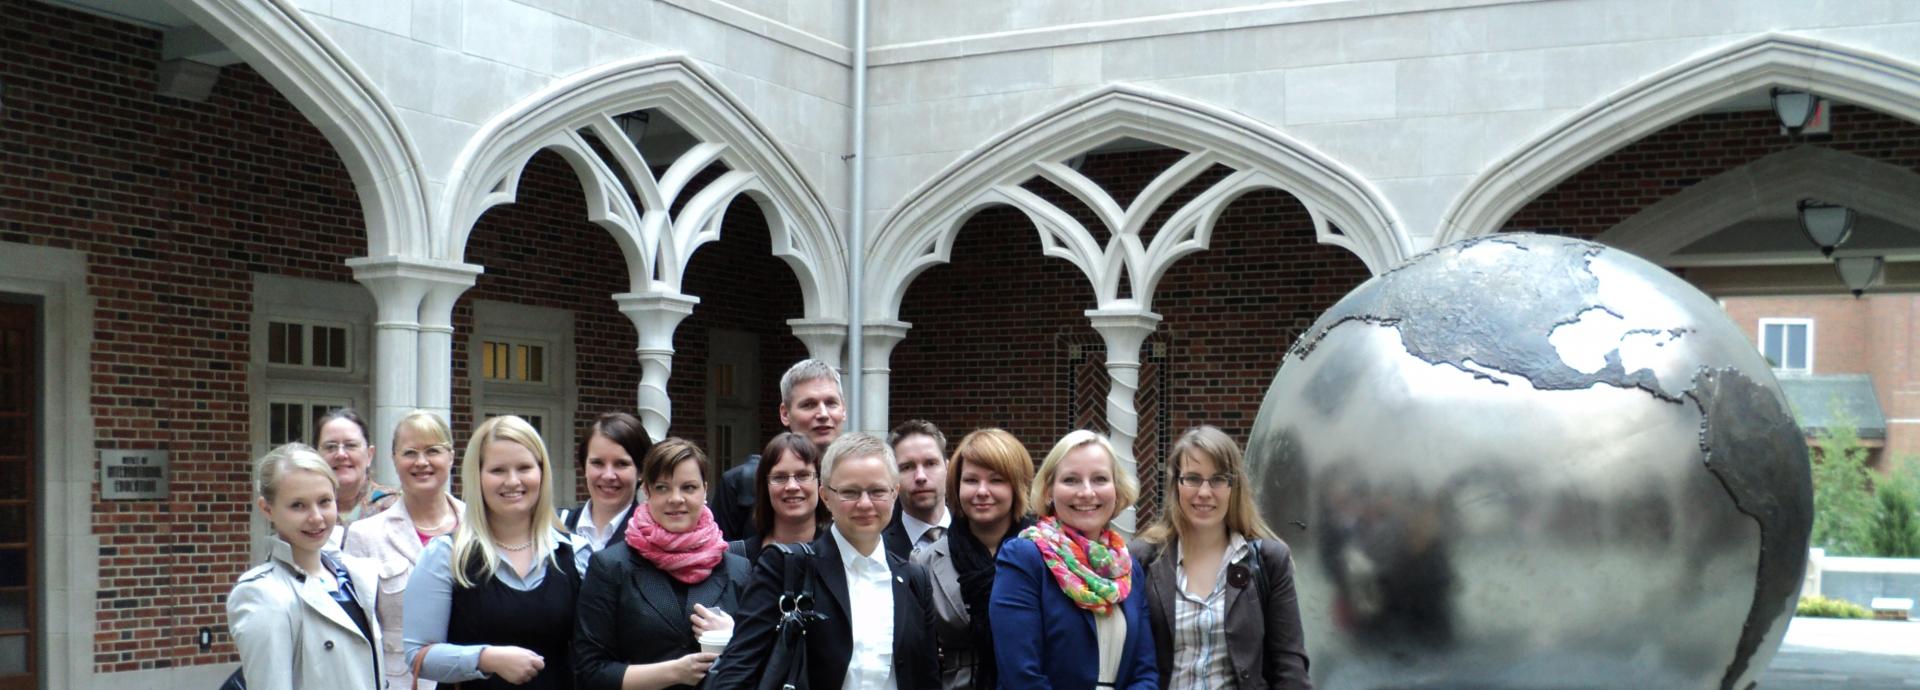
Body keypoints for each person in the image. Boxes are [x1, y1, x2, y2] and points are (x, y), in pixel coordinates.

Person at [707, 433, 941, 690]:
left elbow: (927, 679)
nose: (864, 504)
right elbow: (736, 672)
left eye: (877, 491)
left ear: (895, 493)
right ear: (826, 496)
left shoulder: (914, 580)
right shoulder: (786, 568)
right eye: (850, 492)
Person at [404, 415, 591, 690]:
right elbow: (418, 655)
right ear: (477, 476)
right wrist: (486, 658)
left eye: (524, 468)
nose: (512, 481)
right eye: (498, 470)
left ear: (541, 472)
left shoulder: (576, 555)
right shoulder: (446, 555)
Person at [1138, 426, 1311, 690]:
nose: (1204, 492)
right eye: (1193, 478)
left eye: (1218, 479)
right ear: (1176, 485)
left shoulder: (1269, 561)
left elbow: (1289, 667)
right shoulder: (1143, 559)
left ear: (1234, 487)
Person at [573, 438, 748, 690]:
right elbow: (590, 671)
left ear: (705, 490)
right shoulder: (610, 566)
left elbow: (760, 662)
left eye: (688, 487)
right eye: (663, 487)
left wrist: (736, 636)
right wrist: (674, 673)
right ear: (647, 492)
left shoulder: (738, 569)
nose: (676, 498)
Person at [991, 430, 1157, 690]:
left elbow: (1145, 672)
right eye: (1071, 480)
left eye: (1100, 479)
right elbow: (1021, 675)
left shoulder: (1127, 567)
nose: (1087, 492)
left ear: (1116, 489)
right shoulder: (1024, 557)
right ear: (1048, 491)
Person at [228, 443, 382, 690]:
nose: (316, 517)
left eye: (324, 501)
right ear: (267, 509)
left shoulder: (355, 576)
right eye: (298, 505)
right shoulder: (263, 595)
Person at [343, 409, 466, 690]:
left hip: (473, 679)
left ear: (451, 456)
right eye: (410, 452)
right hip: (400, 682)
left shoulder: (479, 526)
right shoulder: (365, 536)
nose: (421, 462)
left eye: (433, 450)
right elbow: (357, 634)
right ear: (394, 460)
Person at [910, 428, 1036, 690]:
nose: (982, 491)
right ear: (956, 486)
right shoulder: (925, 563)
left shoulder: (1045, 555)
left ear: (1018, 486)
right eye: (970, 480)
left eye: (996, 480)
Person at [712, 359, 846, 543]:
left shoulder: (867, 484)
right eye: (808, 404)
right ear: (785, 413)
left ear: (843, 410)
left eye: (831, 403)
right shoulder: (738, 484)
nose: (823, 414)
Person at [726, 432, 830, 565]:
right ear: (765, 487)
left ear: (820, 483)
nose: (792, 486)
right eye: (780, 477)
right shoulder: (736, 560)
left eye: (803, 475)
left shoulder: (841, 556)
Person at [561, 412, 652, 560]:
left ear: (641, 471)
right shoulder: (556, 528)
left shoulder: (652, 539)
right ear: (584, 467)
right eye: (597, 463)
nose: (608, 475)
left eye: (621, 464)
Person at [317, 407, 398, 530]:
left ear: (369, 455)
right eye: (331, 447)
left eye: (351, 445)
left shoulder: (394, 507)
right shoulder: (304, 509)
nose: (341, 454)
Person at [882, 419, 950, 560]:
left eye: (930, 463)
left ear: (947, 468)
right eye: (907, 467)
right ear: (892, 477)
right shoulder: (879, 550)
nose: (920, 477)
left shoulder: (978, 535)